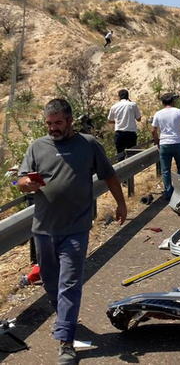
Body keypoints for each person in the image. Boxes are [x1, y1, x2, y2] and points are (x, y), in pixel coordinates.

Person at [17, 99, 127, 365]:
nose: (53, 128)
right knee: (52, 283)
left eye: (58, 123)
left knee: (70, 283)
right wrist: (27, 185)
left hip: (76, 228)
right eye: (49, 124)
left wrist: (121, 203)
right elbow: (20, 181)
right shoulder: (37, 146)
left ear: (70, 120)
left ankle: (66, 342)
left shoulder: (88, 144)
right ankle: (65, 317)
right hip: (43, 229)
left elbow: (109, 175)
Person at [151, 93, 180, 198]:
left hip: (164, 144)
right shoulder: (179, 112)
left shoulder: (158, 114)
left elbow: (153, 130)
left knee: (166, 170)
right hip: (177, 142)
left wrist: (157, 141)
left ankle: (168, 192)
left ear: (162, 102)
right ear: (173, 101)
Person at [107, 89, 142, 158]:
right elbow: (139, 119)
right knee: (132, 156)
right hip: (130, 133)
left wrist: (118, 121)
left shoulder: (114, 107)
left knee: (120, 155)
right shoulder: (133, 105)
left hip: (119, 134)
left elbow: (110, 120)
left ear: (119, 97)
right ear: (128, 96)